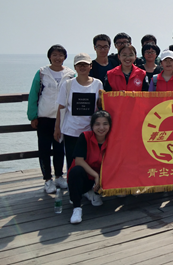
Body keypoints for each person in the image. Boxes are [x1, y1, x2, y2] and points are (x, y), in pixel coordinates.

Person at [27, 45, 76, 194]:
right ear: (49, 57)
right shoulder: (42, 73)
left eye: (60, 55)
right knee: (44, 149)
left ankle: (59, 176)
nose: (57, 58)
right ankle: (47, 179)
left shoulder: (70, 74)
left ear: (65, 57)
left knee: (60, 149)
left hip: (61, 118)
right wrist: (33, 116)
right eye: (54, 55)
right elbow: (34, 94)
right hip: (44, 117)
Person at [54, 53, 103, 171]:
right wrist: (57, 128)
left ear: (90, 66)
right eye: (79, 65)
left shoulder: (98, 83)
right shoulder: (67, 84)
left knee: (89, 160)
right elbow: (61, 107)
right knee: (71, 162)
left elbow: (100, 106)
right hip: (71, 130)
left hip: (90, 130)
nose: (82, 67)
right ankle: (71, 181)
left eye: (85, 64)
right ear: (75, 67)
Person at [68, 111, 112, 224]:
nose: (101, 128)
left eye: (105, 124)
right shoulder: (85, 136)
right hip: (85, 177)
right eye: (97, 124)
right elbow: (78, 161)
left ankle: (93, 192)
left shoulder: (112, 140)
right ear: (92, 126)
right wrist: (96, 175)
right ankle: (77, 208)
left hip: (101, 178)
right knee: (76, 171)